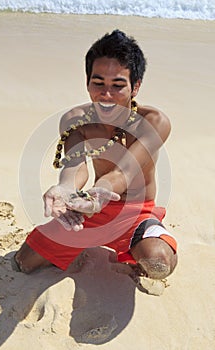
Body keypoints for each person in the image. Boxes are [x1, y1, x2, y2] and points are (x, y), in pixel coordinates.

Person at [13, 30, 177, 280]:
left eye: (118, 86)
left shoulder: (153, 121)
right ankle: (83, 240)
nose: (106, 95)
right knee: (25, 262)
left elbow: (124, 172)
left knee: (158, 262)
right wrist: (66, 189)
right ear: (87, 82)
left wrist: (100, 191)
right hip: (91, 208)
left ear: (136, 87)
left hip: (136, 209)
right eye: (98, 83)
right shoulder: (75, 120)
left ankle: (151, 233)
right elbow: (75, 166)